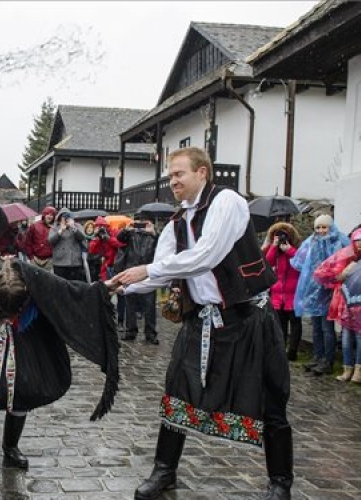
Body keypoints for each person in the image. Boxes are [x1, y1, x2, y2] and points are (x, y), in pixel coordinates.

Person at [112, 147, 292, 500]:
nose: (172, 181)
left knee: (270, 399)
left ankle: (280, 481)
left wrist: (148, 270)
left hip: (248, 319)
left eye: (179, 174)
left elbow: (207, 254)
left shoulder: (227, 202)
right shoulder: (177, 223)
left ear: (203, 173)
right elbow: (161, 273)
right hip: (201, 320)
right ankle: (164, 470)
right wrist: (117, 287)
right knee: (176, 394)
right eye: (170, 176)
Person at [0, 258, 120, 488]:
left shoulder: (38, 282)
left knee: (23, 391)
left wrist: (101, 289)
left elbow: (70, 292)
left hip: (26, 341)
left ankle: (10, 448)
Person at [291, 214, 349, 375]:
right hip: (313, 290)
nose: (321, 230)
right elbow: (299, 261)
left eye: (324, 227)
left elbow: (345, 262)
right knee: (316, 327)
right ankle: (318, 356)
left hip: (329, 291)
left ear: (331, 227)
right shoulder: (312, 241)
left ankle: (328, 361)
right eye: (318, 227)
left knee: (327, 328)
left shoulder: (339, 241)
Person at [312, 228, 361, 382]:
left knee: (359, 337)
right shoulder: (348, 256)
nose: (359, 245)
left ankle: (358, 371)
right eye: (357, 242)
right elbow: (334, 275)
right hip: (347, 301)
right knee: (346, 336)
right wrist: (343, 273)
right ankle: (347, 368)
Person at [115, 217, 159, 344]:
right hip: (131, 270)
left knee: (150, 306)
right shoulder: (130, 234)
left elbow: (162, 244)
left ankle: (150, 333)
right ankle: (130, 331)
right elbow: (119, 238)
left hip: (148, 272)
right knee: (130, 305)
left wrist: (154, 233)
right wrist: (127, 229)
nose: (141, 225)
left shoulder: (153, 235)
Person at [263, 222, 302, 360]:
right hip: (278, 294)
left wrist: (289, 250)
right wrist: (274, 246)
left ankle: (293, 351)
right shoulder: (274, 249)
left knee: (295, 323)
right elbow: (268, 262)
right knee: (281, 324)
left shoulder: (296, 249)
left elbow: (301, 262)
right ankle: (281, 349)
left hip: (294, 293)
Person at [48, 208, 85, 281]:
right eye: (63, 217)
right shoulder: (55, 227)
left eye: (68, 217)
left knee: (74, 286)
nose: (65, 219)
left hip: (74, 263)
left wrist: (73, 227)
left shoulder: (77, 226)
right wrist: (60, 230)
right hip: (59, 263)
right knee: (61, 286)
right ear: (60, 218)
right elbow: (51, 241)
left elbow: (82, 237)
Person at [24, 206, 56, 271]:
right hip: (35, 259)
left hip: (49, 260)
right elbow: (28, 242)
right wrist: (31, 257)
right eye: (48, 214)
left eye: (52, 215)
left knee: (48, 280)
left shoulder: (55, 228)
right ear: (44, 214)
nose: (50, 216)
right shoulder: (34, 226)